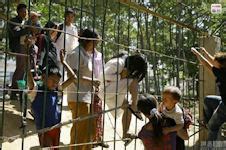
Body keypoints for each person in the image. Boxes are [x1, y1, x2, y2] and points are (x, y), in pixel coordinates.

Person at [97, 52, 147, 145]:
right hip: (105, 90)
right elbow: (101, 76)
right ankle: (135, 106)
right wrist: (120, 76)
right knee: (133, 81)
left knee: (127, 108)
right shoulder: (118, 62)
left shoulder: (124, 65)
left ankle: (125, 134)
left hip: (113, 91)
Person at [66, 29, 102, 150]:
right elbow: (73, 76)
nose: (95, 46)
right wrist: (92, 81)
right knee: (80, 132)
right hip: (78, 97)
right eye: (94, 43)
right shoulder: (76, 53)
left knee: (89, 131)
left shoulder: (86, 54)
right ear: (86, 40)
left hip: (86, 97)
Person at [191, 47, 226, 141]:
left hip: (225, 107)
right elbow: (214, 61)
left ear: (220, 65)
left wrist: (197, 54)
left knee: (213, 127)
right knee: (208, 100)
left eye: (216, 62)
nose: (213, 61)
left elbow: (206, 64)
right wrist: (205, 51)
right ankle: (207, 122)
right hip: (223, 101)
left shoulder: (222, 74)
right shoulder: (222, 69)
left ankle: (211, 147)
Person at [8, 3, 30, 99]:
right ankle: (14, 91)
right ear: (18, 12)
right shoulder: (13, 21)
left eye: (25, 11)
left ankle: (20, 91)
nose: (24, 13)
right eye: (22, 11)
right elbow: (15, 34)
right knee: (20, 68)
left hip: (26, 46)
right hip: (18, 46)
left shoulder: (26, 21)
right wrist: (26, 29)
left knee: (24, 69)